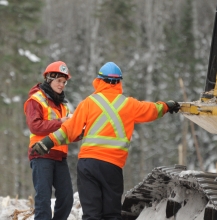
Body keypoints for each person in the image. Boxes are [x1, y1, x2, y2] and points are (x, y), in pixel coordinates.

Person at [30, 62, 180, 220]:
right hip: (112, 166)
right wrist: (167, 106)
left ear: (99, 81)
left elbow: (69, 130)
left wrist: (48, 142)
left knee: (91, 214)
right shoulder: (129, 104)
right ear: (119, 82)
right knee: (111, 214)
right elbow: (152, 110)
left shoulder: (89, 102)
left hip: (87, 165)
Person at [24, 61, 74, 220]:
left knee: (67, 199)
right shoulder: (36, 99)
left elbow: (67, 131)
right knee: (43, 200)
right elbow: (35, 126)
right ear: (49, 79)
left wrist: (80, 130)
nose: (62, 85)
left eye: (64, 82)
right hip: (41, 154)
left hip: (60, 156)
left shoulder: (64, 105)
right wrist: (61, 122)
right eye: (59, 81)